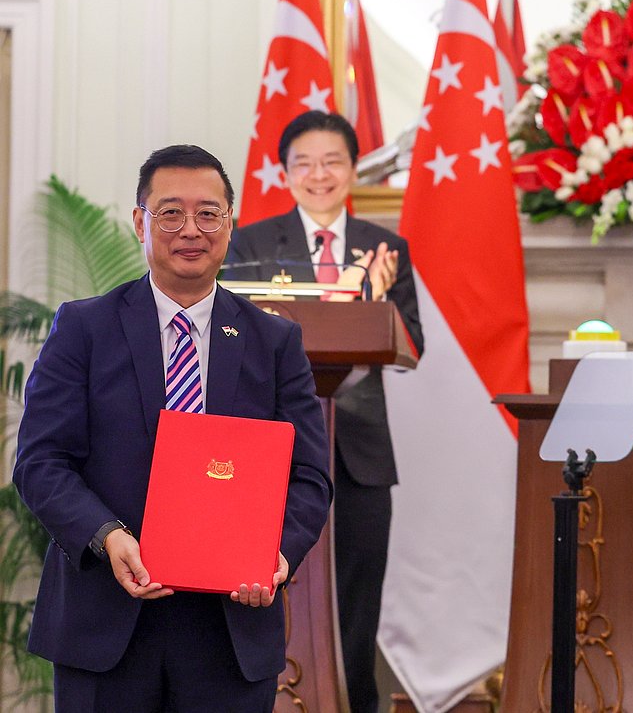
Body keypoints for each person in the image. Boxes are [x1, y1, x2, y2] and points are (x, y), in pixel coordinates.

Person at [13, 145, 332, 712]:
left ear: (230, 223)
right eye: (170, 213)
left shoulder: (274, 342)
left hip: (231, 629)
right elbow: (41, 462)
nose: (192, 230)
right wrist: (107, 536)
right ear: (140, 220)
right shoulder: (83, 329)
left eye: (209, 214)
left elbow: (309, 476)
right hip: (105, 626)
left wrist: (276, 555)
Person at [226, 110, 423, 713]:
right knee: (270, 595)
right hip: (274, 452)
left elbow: (412, 347)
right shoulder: (250, 243)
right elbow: (233, 339)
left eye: (332, 161)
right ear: (285, 172)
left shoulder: (387, 248)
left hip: (360, 453)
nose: (319, 174)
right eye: (304, 163)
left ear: (353, 169)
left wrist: (378, 300)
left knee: (355, 608)